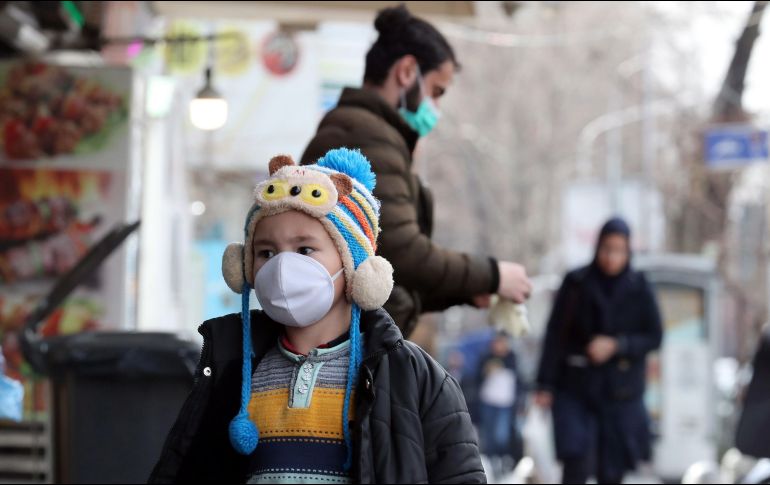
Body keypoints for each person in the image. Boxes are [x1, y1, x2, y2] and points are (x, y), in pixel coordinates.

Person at [149, 148, 485, 484]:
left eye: (305, 249)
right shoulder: (231, 372)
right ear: (244, 267)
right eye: (266, 252)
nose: (281, 266)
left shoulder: (415, 378)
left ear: (355, 266)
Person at [300, 5, 531, 337]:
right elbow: (403, 252)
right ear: (407, 71)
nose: (434, 108)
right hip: (347, 348)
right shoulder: (367, 136)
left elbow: (387, 274)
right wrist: (493, 275)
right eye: (436, 91)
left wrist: (465, 290)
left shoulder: (364, 130)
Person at [534, 218, 663, 484]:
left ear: (628, 252)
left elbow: (655, 336)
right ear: (597, 247)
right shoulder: (576, 283)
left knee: (611, 471)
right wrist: (545, 384)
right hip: (575, 388)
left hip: (620, 395)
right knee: (576, 463)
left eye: (619, 250)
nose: (611, 257)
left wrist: (618, 345)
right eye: (607, 248)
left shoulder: (639, 287)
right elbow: (555, 335)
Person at [476, 331, 523, 478]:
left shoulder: (512, 358)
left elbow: (519, 380)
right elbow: (476, 378)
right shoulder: (486, 357)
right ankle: (493, 462)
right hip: (488, 402)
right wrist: (487, 371)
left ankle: (503, 458)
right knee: (489, 434)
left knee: (502, 434)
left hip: (506, 403)